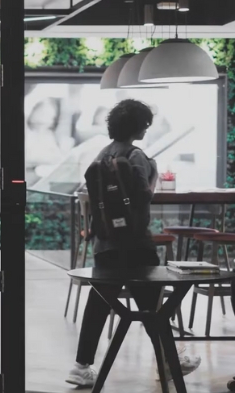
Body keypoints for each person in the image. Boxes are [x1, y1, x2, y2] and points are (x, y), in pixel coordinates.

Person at [66, 99, 201, 387]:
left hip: (105, 245)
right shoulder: (136, 155)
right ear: (140, 127)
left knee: (100, 304)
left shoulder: (100, 155)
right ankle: (169, 359)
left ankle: (81, 365)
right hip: (137, 244)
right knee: (153, 306)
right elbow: (144, 195)